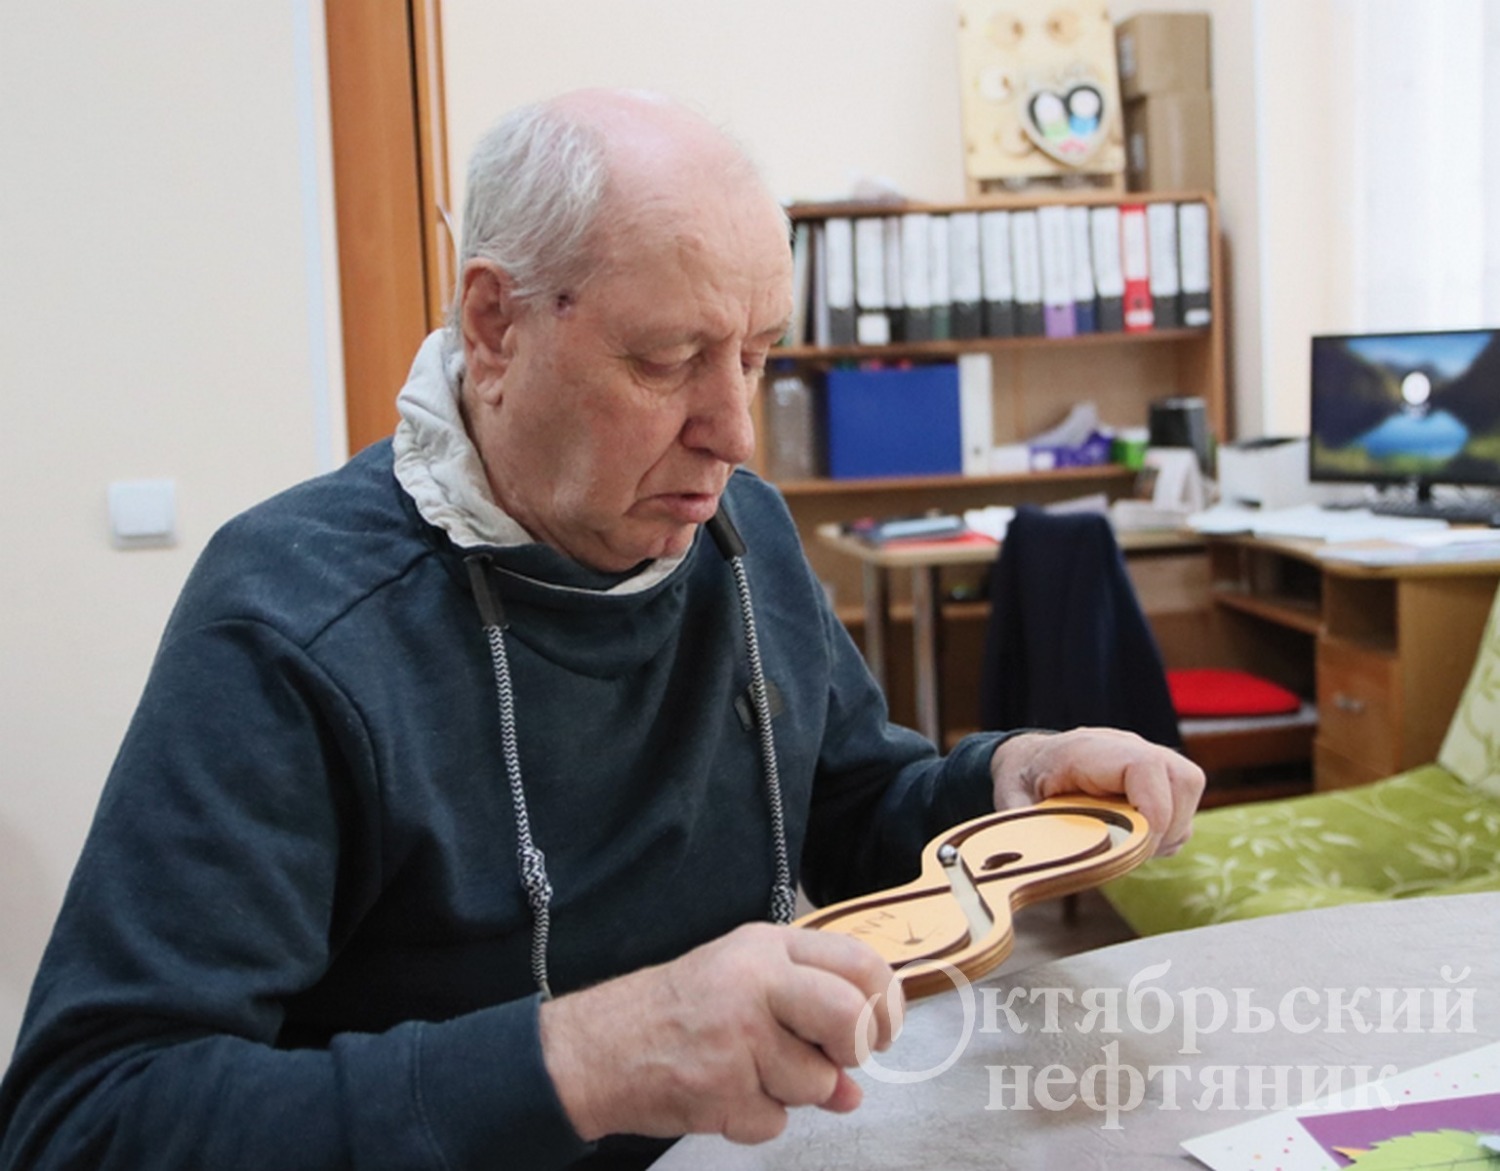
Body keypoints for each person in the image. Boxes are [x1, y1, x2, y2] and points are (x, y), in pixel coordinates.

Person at [0, 89, 1203, 1170]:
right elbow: (88, 1119)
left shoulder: (743, 531)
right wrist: (590, 1058)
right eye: (671, 359)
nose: (734, 432)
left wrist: (1009, 780)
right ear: (495, 326)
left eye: (757, 357)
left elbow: (847, 805)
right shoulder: (293, 619)